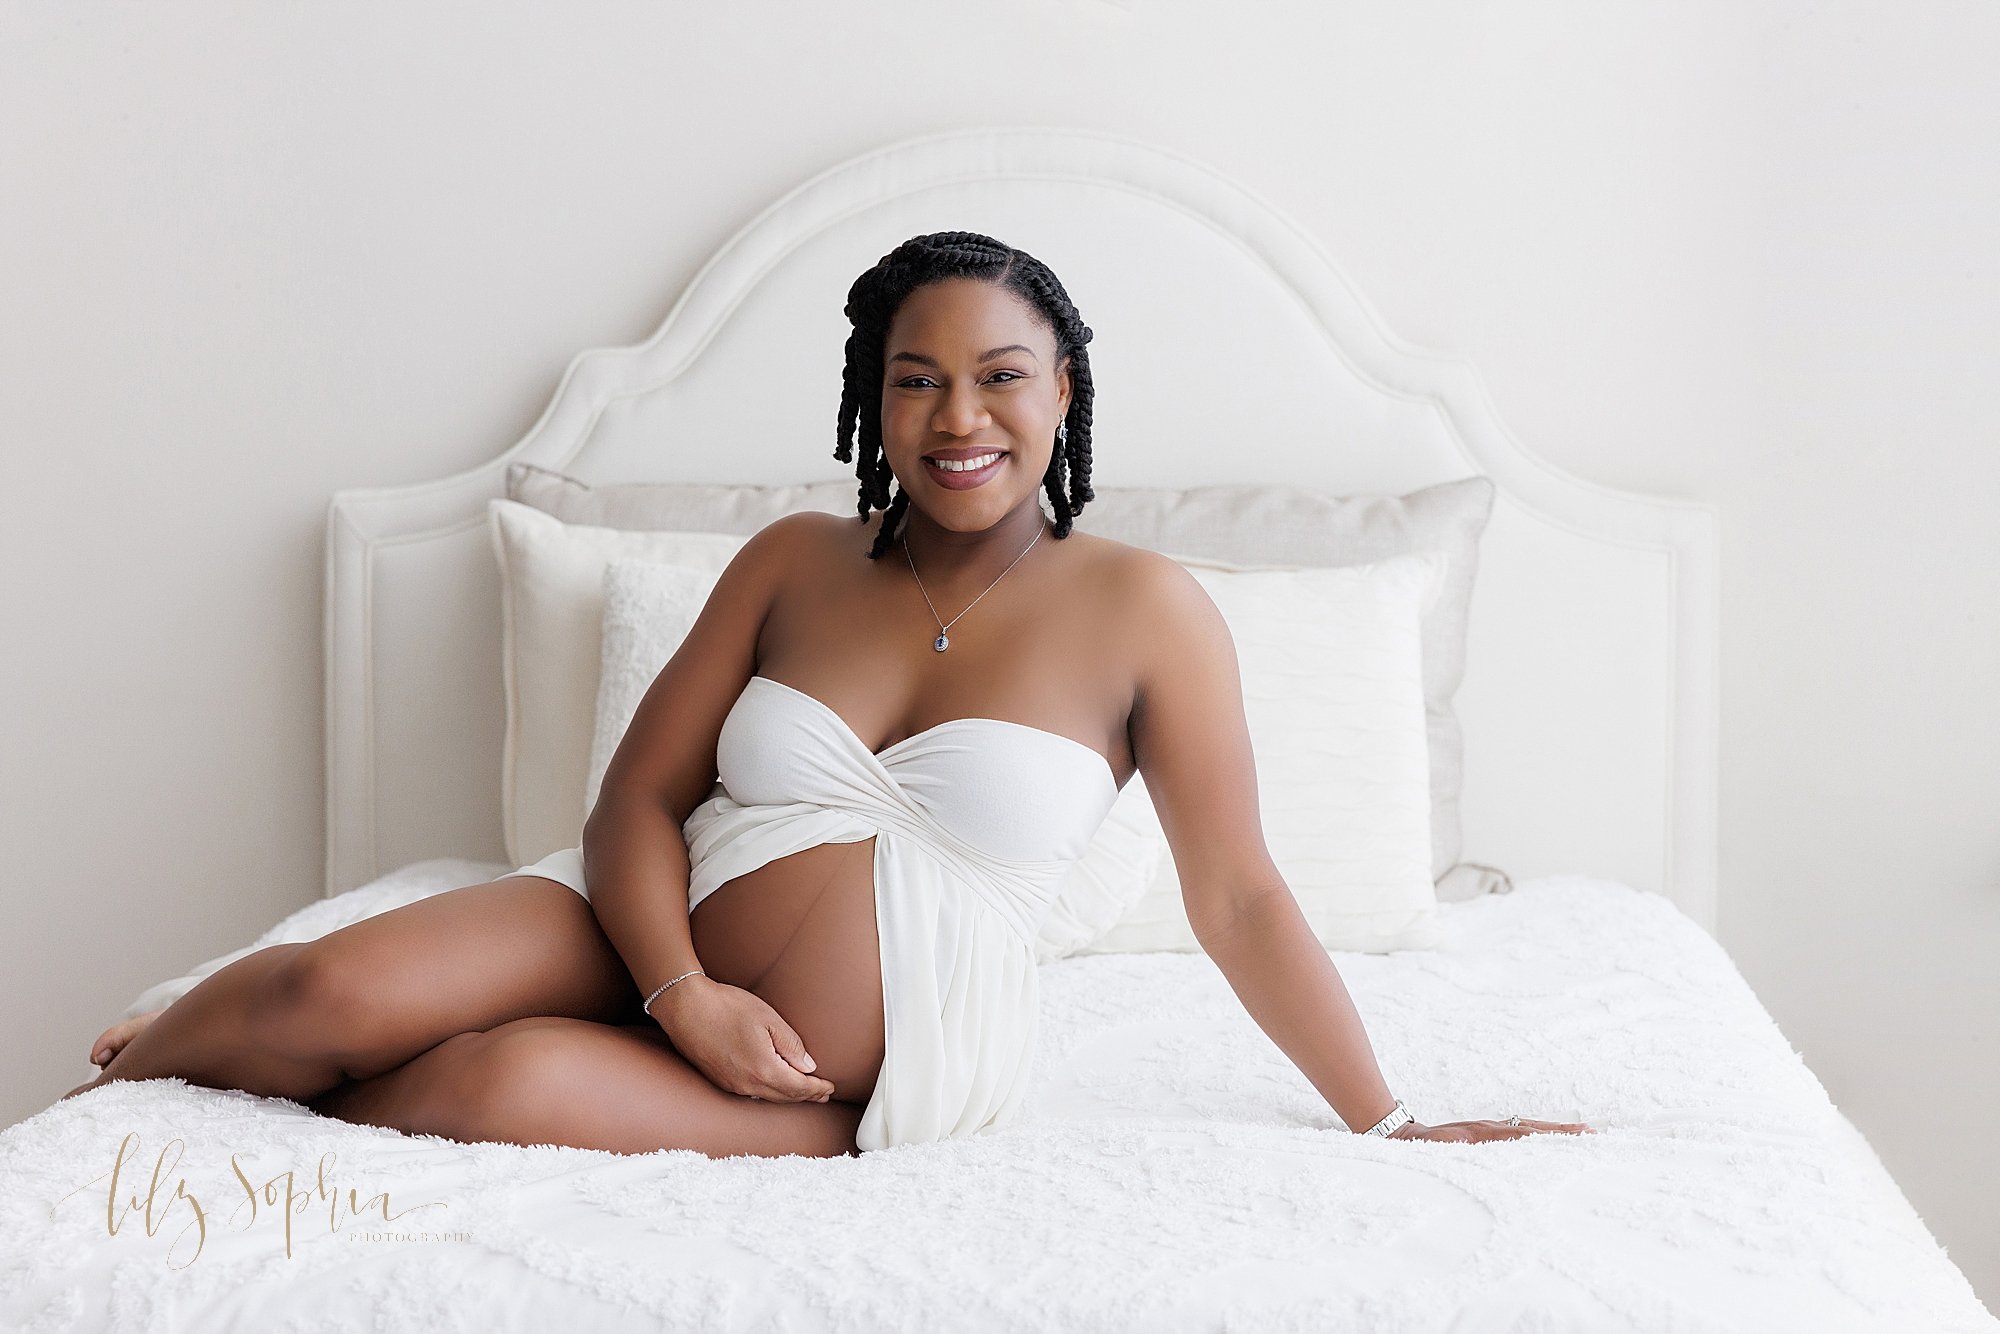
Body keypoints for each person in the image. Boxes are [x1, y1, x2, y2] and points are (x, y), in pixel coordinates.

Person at [65, 231, 1594, 1157]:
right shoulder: (796, 559)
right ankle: (173, 1051)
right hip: (649, 942)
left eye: (1003, 372)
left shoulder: (1148, 609)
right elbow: (638, 804)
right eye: (915, 378)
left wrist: (1384, 1114)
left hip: (862, 1061)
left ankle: (790, 1135)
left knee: (485, 1081)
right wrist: (685, 991)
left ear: (1065, 390)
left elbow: (1244, 896)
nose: (960, 414)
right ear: (873, 403)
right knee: (315, 991)